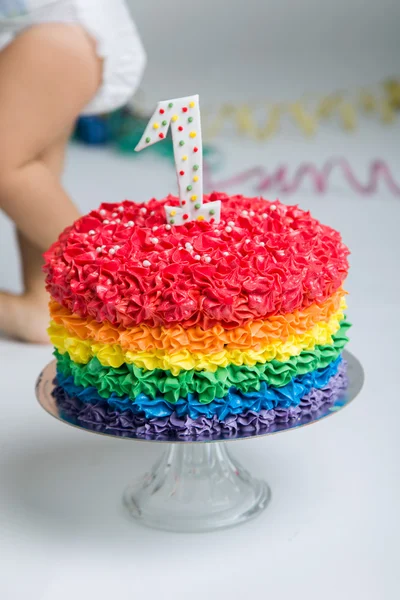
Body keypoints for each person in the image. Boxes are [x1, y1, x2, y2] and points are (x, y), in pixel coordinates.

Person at [0, 0, 146, 342]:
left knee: (7, 165)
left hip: (62, 30)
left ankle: (124, 290)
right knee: (31, 165)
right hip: (45, 31)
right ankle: (40, 303)